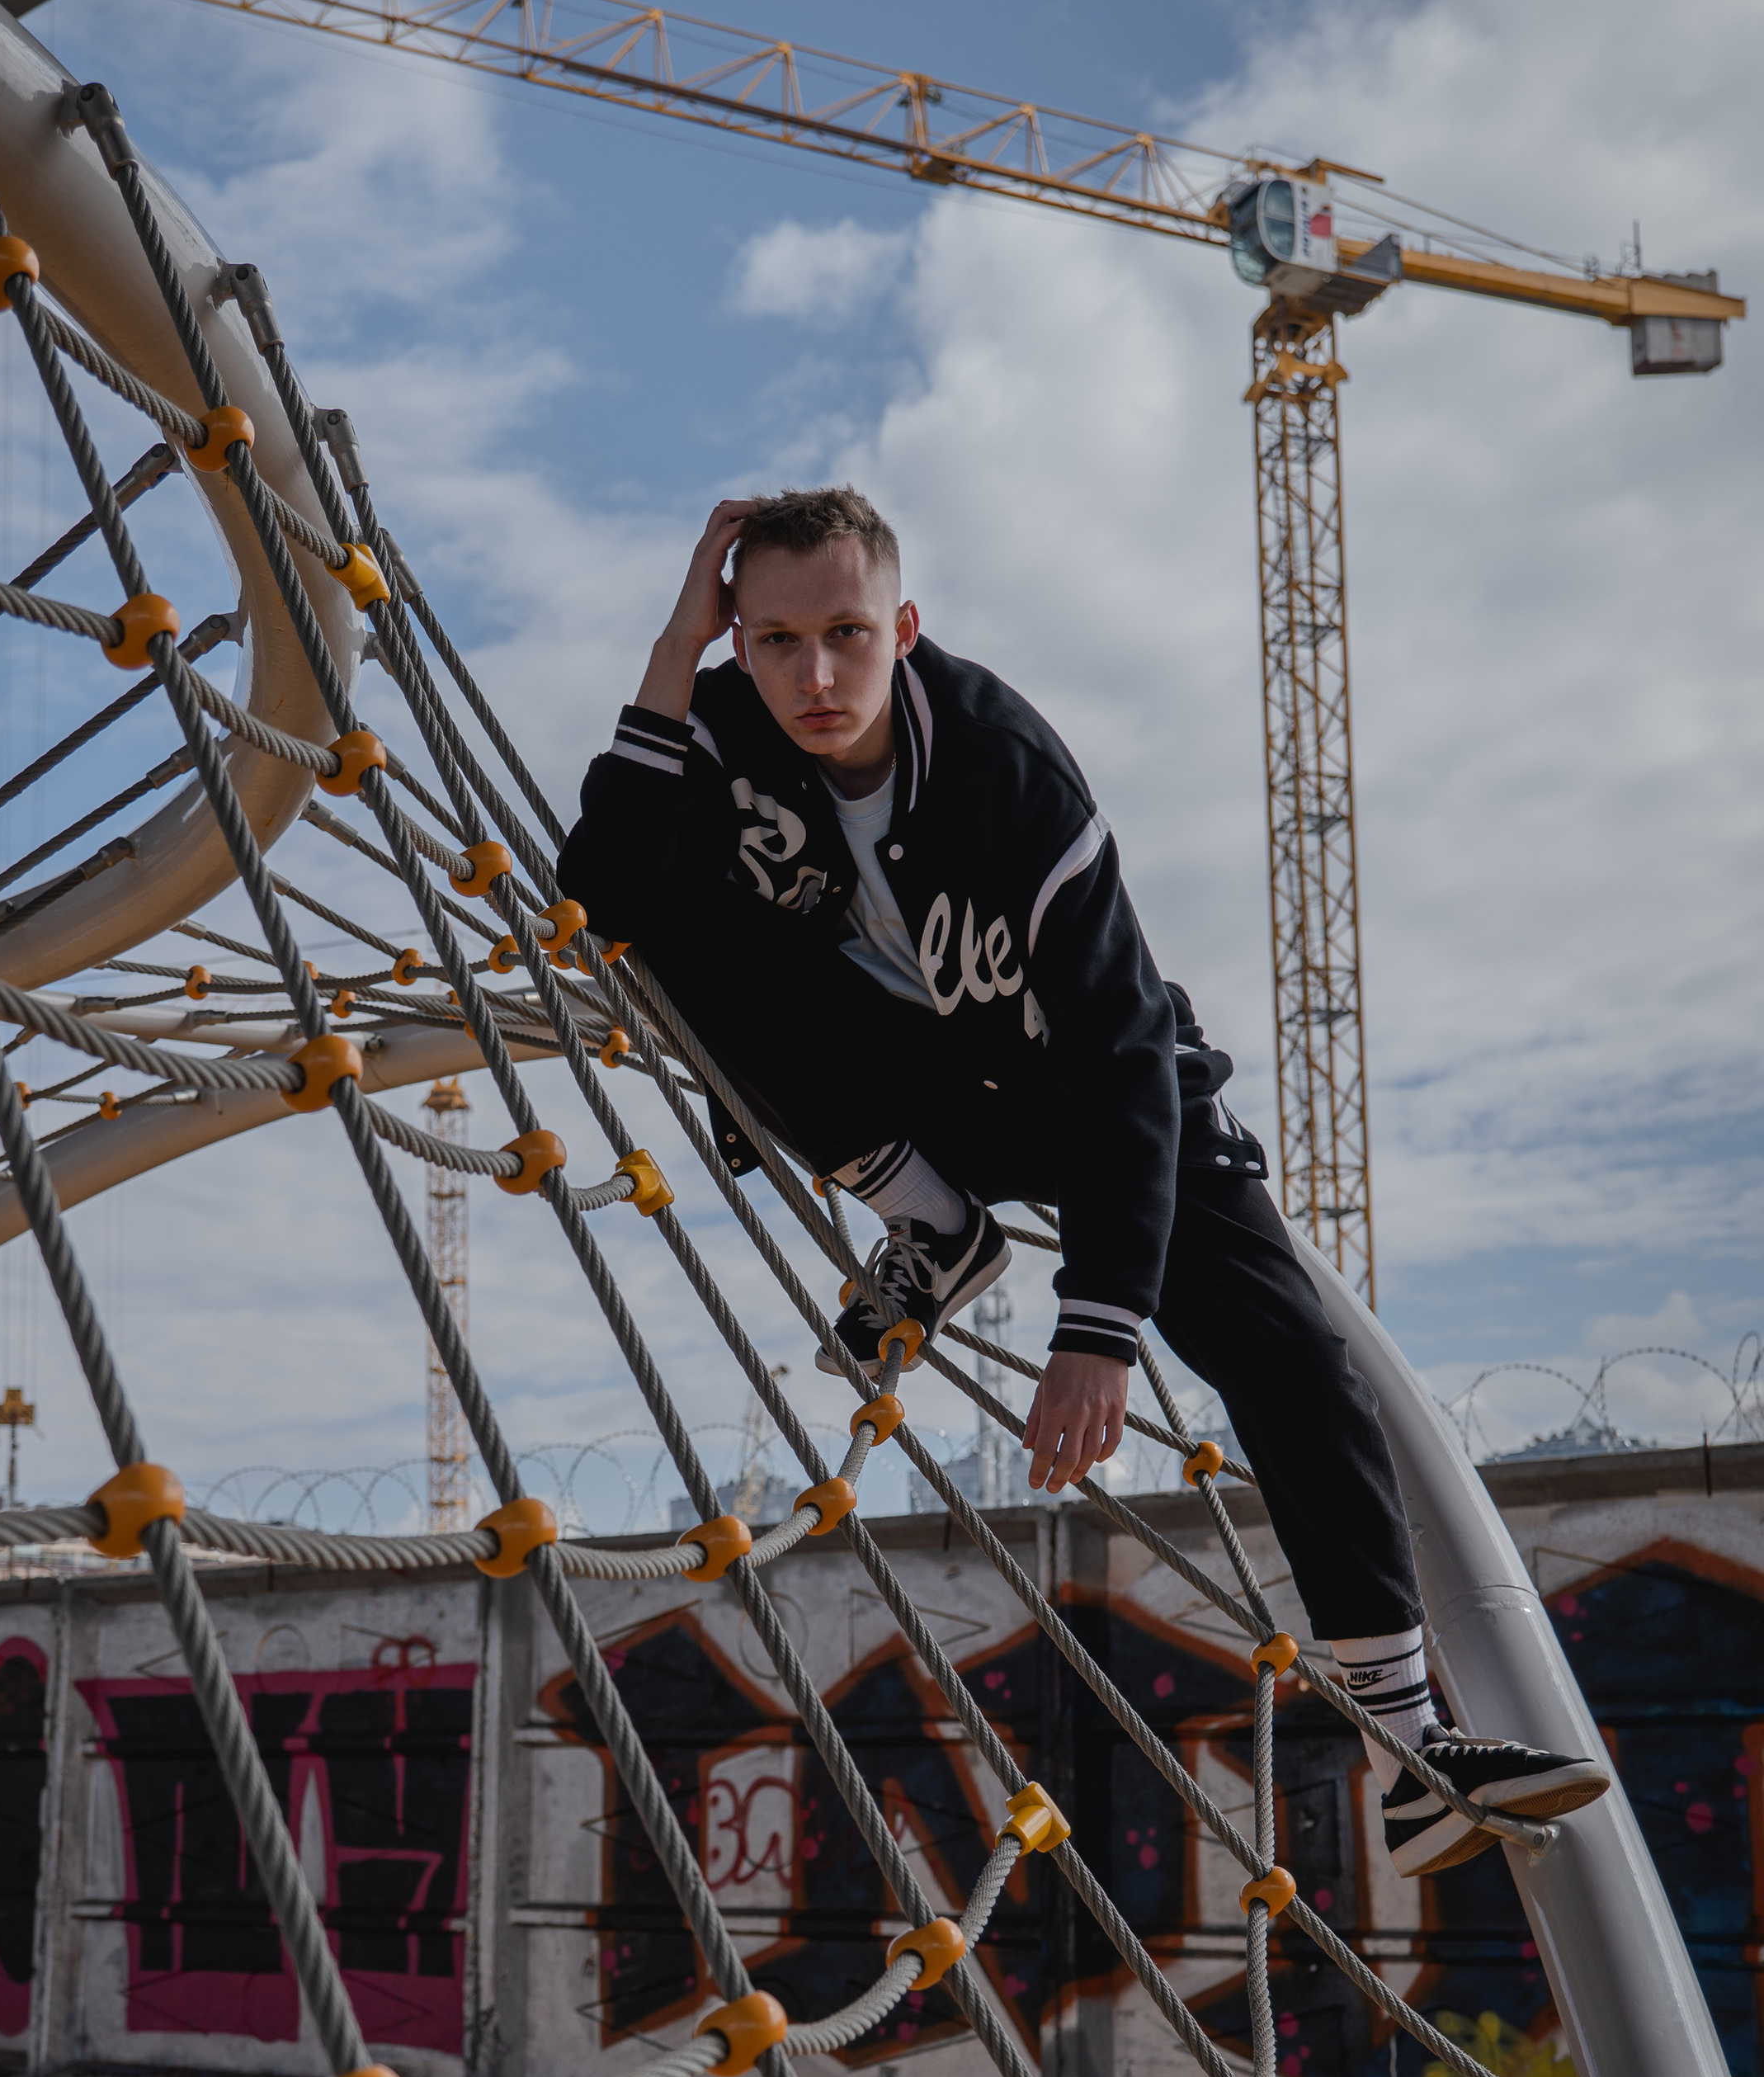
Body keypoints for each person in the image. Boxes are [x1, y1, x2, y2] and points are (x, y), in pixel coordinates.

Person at [558, 486, 1610, 1878]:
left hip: (1093, 1084)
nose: (814, 676)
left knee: (1292, 1356)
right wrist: (669, 654)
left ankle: (1410, 1754)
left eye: (847, 635)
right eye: (774, 641)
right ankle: (934, 1227)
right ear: (734, 640)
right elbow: (598, 897)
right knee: (664, 945)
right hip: (924, 1095)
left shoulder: (1005, 765)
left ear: (905, 628)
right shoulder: (716, 729)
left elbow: (1119, 1050)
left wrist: (1099, 1326)